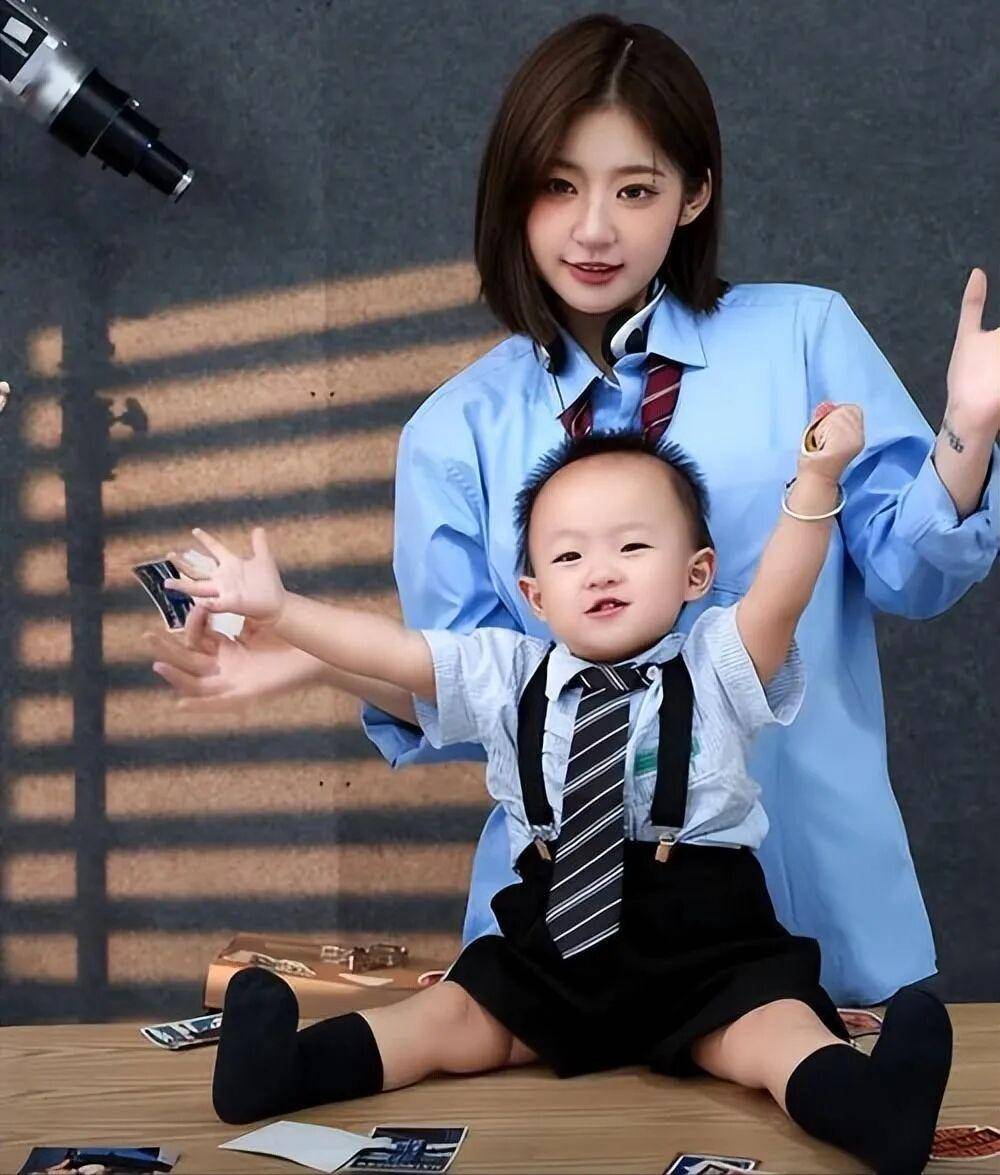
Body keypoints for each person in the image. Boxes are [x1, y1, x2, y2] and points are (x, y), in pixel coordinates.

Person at [145, 14, 1000, 1007]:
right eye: (557, 186)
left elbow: (913, 574)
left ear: (694, 194)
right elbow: (474, 689)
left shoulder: (805, 337)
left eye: (634, 189)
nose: (593, 230)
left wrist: (969, 429)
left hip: (809, 900)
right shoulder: (452, 431)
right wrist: (306, 654)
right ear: (513, 193)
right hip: (560, 941)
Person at [166, 415, 955, 1174]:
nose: (601, 570)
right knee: (445, 1018)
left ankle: (876, 1111)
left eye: (633, 545)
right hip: (551, 946)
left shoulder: (716, 663)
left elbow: (781, 595)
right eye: (569, 555)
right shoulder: (507, 673)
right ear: (535, 593)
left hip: (708, 950)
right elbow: (396, 651)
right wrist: (285, 613)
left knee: (777, 1032)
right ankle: (280, 1071)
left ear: (696, 573)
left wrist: (816, 478)